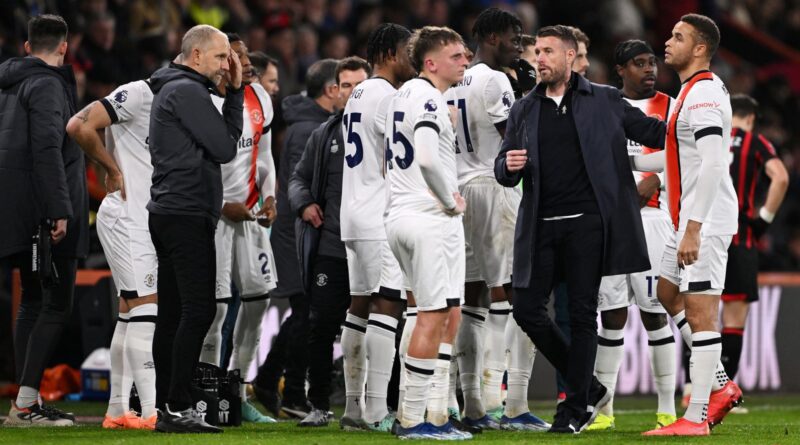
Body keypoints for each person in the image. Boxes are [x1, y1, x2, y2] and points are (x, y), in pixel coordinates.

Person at [494, 25, 665, 434]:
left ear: (570, 57)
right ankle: (587, 386)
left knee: (585, 315)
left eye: (549, 51)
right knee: (526, 310)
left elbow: (656, 133)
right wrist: (508, 167)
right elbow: (501, 168)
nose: (540, 58)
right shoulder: (523, 108)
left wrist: (695, 122)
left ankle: (572, 411)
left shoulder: (605, 99)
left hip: (589, 226)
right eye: (538, 51)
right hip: (540, 226)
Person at [633, 14, 742, 436]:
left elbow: (715, 161)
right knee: (666, 292)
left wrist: (694, 228)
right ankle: (720, 386)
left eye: (678, 37)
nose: (667, 42)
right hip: (688, 219)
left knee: (700, 312)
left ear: (700, 49)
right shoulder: (688, 93)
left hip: (705, 220)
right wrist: (626, 162)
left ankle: (696, 417)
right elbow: (680, 159)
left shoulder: (703, 95)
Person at [445, 8, 547, 432]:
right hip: (495, 185)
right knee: (509, 295)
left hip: (461, 189)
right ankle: (506, 403)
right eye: (512, 36)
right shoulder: (494, 79)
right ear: (488, 37)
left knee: (472, 300)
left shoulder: (455, 79)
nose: (518, 43)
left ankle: (472, 405)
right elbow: (517, 137)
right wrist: (530, 97)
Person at [146, 24, 243, 433]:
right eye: (221, 57)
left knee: (171, 315)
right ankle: (177, 405)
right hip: (185, 213)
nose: (227, 65)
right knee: (198, 309)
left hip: (170, 211)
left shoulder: (173, 87)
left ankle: (166, 406)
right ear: (197, 55)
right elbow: (225, 146)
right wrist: (235, 95)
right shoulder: (186, 91)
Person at [0, 14, 88, 427]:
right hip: (44, 211)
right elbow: (47, 147)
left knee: (32, 302)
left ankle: (23, 401)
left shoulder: (9, 82)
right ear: (65, 47)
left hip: (14, 209)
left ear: (27, 46)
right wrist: (59, 208)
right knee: (56, 303)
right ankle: (25, 406)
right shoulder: (49, 84)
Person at [587, 39, 677, 432]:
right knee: (611, 317)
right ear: (620, 69)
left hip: (654, 221)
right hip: (609, 223)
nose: (649, 70)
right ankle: (603, 410)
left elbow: (689, 158)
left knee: (655, 315)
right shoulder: (603, 105)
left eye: (652, 62)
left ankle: (667, 409)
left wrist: (655, 178)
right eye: (639, 64)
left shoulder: (669, 106)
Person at [386, 26, 470, 440]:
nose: (465, 60)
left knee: (443, 313)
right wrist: (450, 200)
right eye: (456, 56)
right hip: (427, 217)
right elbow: (424, 157)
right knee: (432, 315)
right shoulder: (428, 98)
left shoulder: (403, 94)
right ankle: (413, 420)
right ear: (431, 62)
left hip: (400, 216)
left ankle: (433, 414)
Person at [66, 76, 159, 430]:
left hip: (139, 216)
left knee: (129, 311)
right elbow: (78, 124)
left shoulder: (173, 102)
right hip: (126, 215)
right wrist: (111, 167)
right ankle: (150, 412)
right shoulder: (138, 93)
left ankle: (118, 409)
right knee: (146, 307)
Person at [251, 58, 339, 420]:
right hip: (297, 232)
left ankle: (273, 380)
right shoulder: (309, 129)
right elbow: (302, 187)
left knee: (306, 313)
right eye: (345, 86)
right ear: (331, 90)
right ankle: (287, 387)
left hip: (302, 231)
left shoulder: (312, 123)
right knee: (307, 313)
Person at [338, 23, 416, 432]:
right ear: (388, 53)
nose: (413, 59)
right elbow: (403, 158)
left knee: (359, 306)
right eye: (408, 51)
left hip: (352, 212)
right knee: (388, 305)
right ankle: (374, 410)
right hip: (377, 213)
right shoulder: (389, 96)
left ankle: (354, 408)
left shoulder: (360, 93)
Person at [198, 33, 278, 424]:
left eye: (247, 57)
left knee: (259, 298)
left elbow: (263, 153)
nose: (247, 64)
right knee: (214, 308)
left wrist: (270, 195)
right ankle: (208, 392)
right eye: (238, 57)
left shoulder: (260, 97)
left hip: (249, 214)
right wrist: (218, 204)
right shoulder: (204, 100)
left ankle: (239, 388)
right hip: (213, 216)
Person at [289, 57, 371, 427]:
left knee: (382, 326)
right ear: (335, 91)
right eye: (347, 86)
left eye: (360, 85)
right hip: (333, 247)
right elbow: (298, 179)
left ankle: (378, 404)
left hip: (374, 246)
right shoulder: (324, 135)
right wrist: (304, 203)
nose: (353, 93)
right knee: (321, 327)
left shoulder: (383, 130)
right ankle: (318, 405)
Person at [720, 94, 788, 385]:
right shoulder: (754, 142)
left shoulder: (710, 137)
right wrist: (765, 219)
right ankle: (722, 393)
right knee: (734, 320)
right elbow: (781, 177)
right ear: (750, 118)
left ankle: (690, 389)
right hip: (741, 237)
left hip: (704, 237)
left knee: (701, 318)